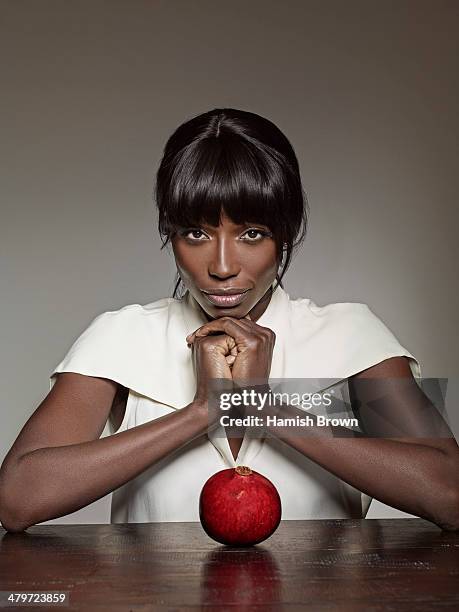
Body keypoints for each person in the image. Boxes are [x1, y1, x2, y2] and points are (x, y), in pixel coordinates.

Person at [1, 108, 458, 533]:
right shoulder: (123, 336)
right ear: (170, 234)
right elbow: (17, 500)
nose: (222, 266)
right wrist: (203, 410)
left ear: (286, 232)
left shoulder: (349, 336)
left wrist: (266, 408)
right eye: (195, 233)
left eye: (252, 234)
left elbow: (450, 495)